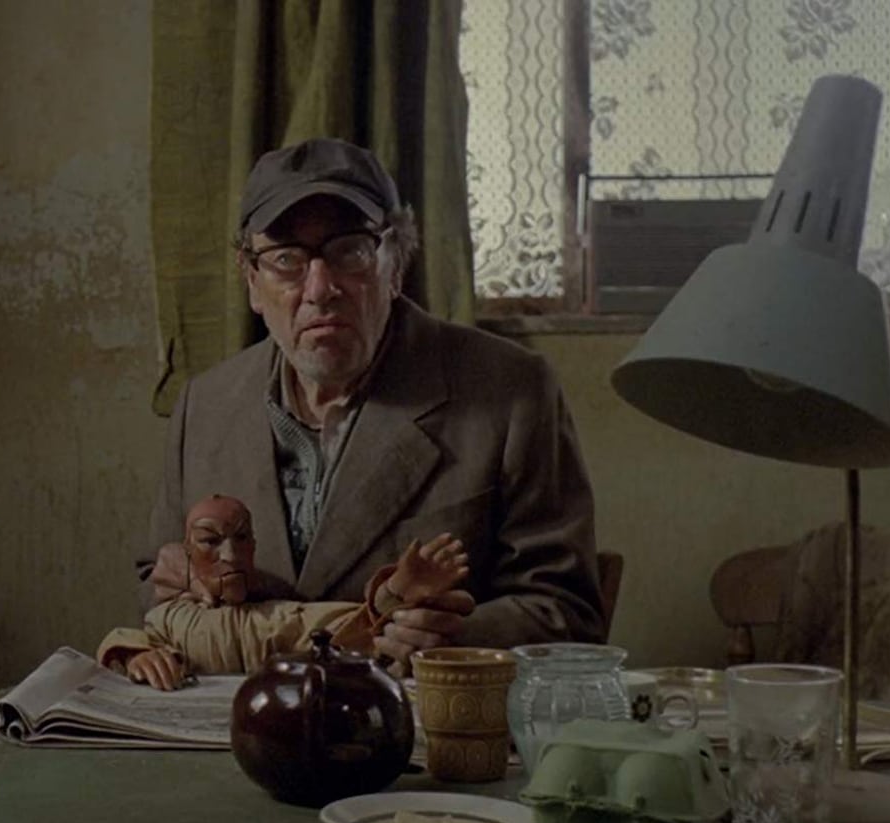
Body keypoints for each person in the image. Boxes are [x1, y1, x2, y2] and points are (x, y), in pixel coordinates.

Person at [142, 137, 604, 664]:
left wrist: (460, 639)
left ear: (396, 264)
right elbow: (154, 586)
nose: (320, 288)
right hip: (241, 709)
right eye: (286, 259)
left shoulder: (510, 391)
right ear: (252, 281)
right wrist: (181, 584)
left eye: (350, 251)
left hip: (410, 708)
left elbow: (570, 613)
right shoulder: (204, 405)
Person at [99, 494, 469, 687]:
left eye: (241, 539)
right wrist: (137, 657)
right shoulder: (172, 617)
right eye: (210, 541)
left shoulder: (280, 617)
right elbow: (134, 638)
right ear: (186, 550)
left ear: (254, 547)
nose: (229, 556)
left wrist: (395, 593)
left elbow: (354, 627)